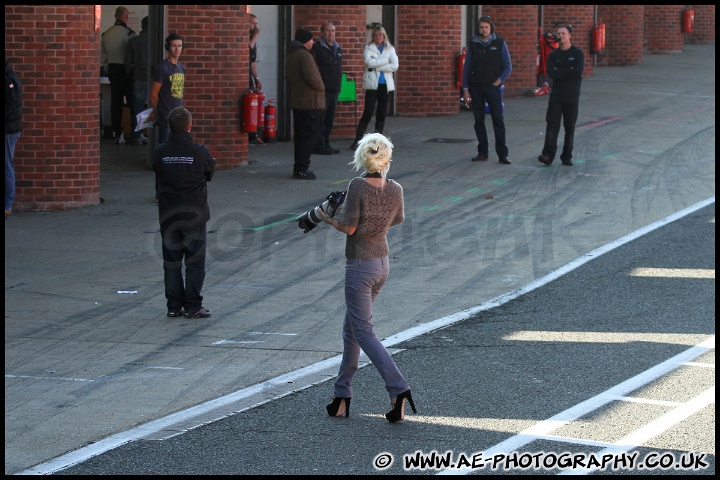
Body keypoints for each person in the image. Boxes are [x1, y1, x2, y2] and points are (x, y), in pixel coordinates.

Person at [321, 133, 417, 423]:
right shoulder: (395, 188)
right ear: (387, 158)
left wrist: (326, 217)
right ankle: (341, 395)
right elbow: (397, 219)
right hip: (382, 264)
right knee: (352, 330)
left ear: (363, 157)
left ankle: (398, 388)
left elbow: (348, 228)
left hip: (360, 266)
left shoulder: (358, 186)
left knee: (363, 331)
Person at [153, 107, 216, 319]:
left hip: (168, 215)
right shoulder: (200, 152)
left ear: (169, 126)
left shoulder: (160, 153)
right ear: (189, 126)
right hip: (194, 215)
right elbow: (209, 173)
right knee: (194, 263)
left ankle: (173, 305)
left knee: (171, 262)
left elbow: (158, 173)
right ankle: (193, 305)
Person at [462, 15, 513, 165]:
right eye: (481, 27)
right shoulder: (473, 44)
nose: (483, 30)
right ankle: (482, 152)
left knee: (498, 119)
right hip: (476, 87)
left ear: (491, 29)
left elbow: (507, 66)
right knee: (479, 120)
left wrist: (498, 81)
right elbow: (467, 68)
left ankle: (503, 154)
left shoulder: (500, 43)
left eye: (486, 27)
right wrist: (465, 89)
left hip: (493, 88)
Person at [538, 24, 584, 167]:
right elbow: (552, 74)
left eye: (564, 33)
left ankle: (566, 156)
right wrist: (568, 69)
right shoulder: (553, 55)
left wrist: (561, 70)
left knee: (569, 126)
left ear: (570, 35)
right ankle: (548, 155)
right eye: (558, 33)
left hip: (572, 95)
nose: (561, 36)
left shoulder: (577, 53)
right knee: (552, 125)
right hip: (556, 95)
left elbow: (577, 71)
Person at [350, 25, 399, 150]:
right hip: (372, 85)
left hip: (385, 85)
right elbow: (368, 62)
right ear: (373, 36)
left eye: (380, 35)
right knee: (368, 112)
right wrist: (385, 60)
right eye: (376, 35)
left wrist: (377, 65)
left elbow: (394, 65)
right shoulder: (368, 47)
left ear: (384, 36)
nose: (378, 37)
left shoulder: (390, 48)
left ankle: (378, 142)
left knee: (381, 113)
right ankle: (358, 140)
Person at [285, 28, 325, 180]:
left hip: (298, 102)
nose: (313, 42)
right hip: (310, 103)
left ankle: (299, 167)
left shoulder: (291, 55)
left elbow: (288, 77)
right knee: (309, 137)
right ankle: (302, 168)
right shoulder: (305, 56)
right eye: (311, 39)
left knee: (301, 136)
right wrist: (322, 87)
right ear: (305, 41)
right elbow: (313, 78)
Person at [100, 6, 137, 145]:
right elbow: (132, 55)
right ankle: (134, 132)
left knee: (116, 102)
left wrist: (108, 69)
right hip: (126, 71)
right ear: (125, 17)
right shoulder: (129, 34)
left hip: (113, 70)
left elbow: (102, 57)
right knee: (132, 103)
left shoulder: (106, 34)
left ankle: (116, 131)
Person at [312, 21, 342, 155]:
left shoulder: (337, 48)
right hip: (323, 89)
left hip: (334, 89)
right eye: (328, 30)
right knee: (321, 119)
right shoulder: (317, 48)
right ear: (322, 33)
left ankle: (326, 144)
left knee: (329, 119)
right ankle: (319, 145)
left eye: (333, 30)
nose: (331, 33)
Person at [149, 32, 185, 144]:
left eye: (179, 46)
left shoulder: (181, 67)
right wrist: (156, 112)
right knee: (165, 145)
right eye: (174, 46)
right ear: (168, 47)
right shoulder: (163, 68)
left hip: (179, 115)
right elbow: (153, 95)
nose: (177, 49)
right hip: (166, 115)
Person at [124, 15, 149, 146]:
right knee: (154, 107)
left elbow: (128, 63)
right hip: (154, 78)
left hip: (138, 78)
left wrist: (133, 74)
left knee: (137, 107)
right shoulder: (157, 40)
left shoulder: (134, 41)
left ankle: (137, 134)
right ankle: (151, 134)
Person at [5, 58, 22, 219]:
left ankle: (7, 204)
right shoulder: (11, 76)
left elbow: (9, 108)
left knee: (7, 167)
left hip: (8, 130)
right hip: (12, 129)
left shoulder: (8, 79)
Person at [247, 13, 264, 146]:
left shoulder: (253, 40)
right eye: (252, 23)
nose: (255, 27)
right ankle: (250, 136)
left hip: (249, 77)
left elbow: (252, 62)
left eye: (256, 23)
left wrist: (257, 78)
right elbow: (246, 50)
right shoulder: (245, 38)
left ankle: (254, 135)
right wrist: (255, 37)